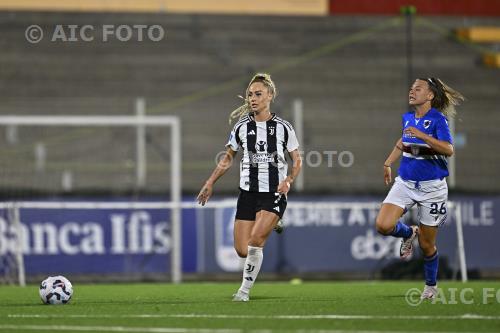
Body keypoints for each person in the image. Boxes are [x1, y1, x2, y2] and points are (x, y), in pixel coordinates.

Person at [197, 73, 302, 302]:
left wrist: (288, 180)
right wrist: (209, 182)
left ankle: (243, 292)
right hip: (247, 193)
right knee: (242, 250)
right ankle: (274, 222)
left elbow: (297, 159)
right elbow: (227, 158)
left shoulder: (284, 128)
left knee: (255, 242)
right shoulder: (242, 127)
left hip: (274, 193)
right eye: (250, 95)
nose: (252, 99)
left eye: (258, 94)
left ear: (270, 96)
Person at [375, 77, 464, 299]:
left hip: (432, 188)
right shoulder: (409, 118)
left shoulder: (438, 120)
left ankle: (431, 287)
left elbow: (449, 149)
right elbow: (403, 141)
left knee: (427, 245)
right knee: (383, 225)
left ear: (430, 95)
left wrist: (423, 136)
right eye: (411, 88)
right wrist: (388, 163)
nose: (412, 91)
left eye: (418, 88)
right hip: (405, 182)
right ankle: (409, 232)